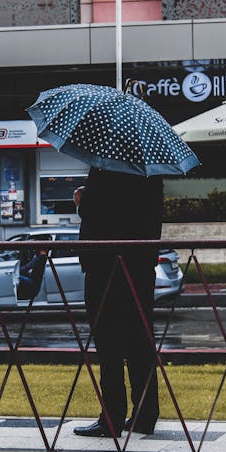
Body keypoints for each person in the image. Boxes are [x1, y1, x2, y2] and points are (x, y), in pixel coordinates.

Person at [73, 167, 164, 438]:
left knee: (108, 344)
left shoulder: (107, 166)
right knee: (140, 342)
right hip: (141, 265)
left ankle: (111, 417)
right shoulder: (151, 172)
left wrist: (82, 200)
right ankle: (145, 415)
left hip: (106, 266)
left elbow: (100, 214)